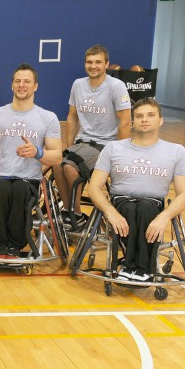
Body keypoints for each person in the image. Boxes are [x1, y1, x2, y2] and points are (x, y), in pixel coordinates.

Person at [87, 98, 185, 283]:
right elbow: (94, 186)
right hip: (120, 202)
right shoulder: (113, 148)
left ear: (160, 120)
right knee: (128, 209)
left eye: (150, 115)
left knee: (144, 208)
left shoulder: (176, 151)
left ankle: (136, 267)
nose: (144, 119)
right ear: (133, 121)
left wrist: (164, 217)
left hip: (153, 205)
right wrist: (110, 212)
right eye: (139, 116)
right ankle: (136, 266)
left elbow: (184, 193)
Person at [0, 63, 63, 259]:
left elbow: (57, 156)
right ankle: (3, 245)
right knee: (3, 187)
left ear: (35, 86)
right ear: (11, 85)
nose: (22, 85)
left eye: (27, 81)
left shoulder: (48, 117)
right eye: (18, 81)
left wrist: (37, 152)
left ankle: (15, 245)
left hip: (29, 181)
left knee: (20, 188)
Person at [53, 44, 131, 231]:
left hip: (106, 144)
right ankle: (68, 211)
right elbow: (72, 116)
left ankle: (76, 215)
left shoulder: (116, 86)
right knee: (57, 162)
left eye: (98, 62)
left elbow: (126, 122)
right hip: (82, 142)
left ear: (107, 64)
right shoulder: (78, 85)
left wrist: (120, 154)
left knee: (71, 168)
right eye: (89, 62)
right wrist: (69, 147)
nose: (93, 66)